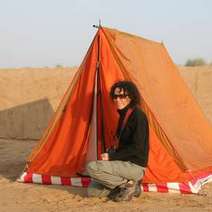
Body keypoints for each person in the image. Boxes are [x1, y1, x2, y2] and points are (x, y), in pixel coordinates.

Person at [86, 80, 149, 201]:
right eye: (115, 96)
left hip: (134, 166)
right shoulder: (124, 115)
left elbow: (137, 148)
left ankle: (128, 185)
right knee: (92, 191)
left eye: (122, 96)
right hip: (122, 163)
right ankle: (129, 186)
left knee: (92, 167)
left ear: (131, 97)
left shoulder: (138, 116)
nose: (118, 99)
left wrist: (111, 157)